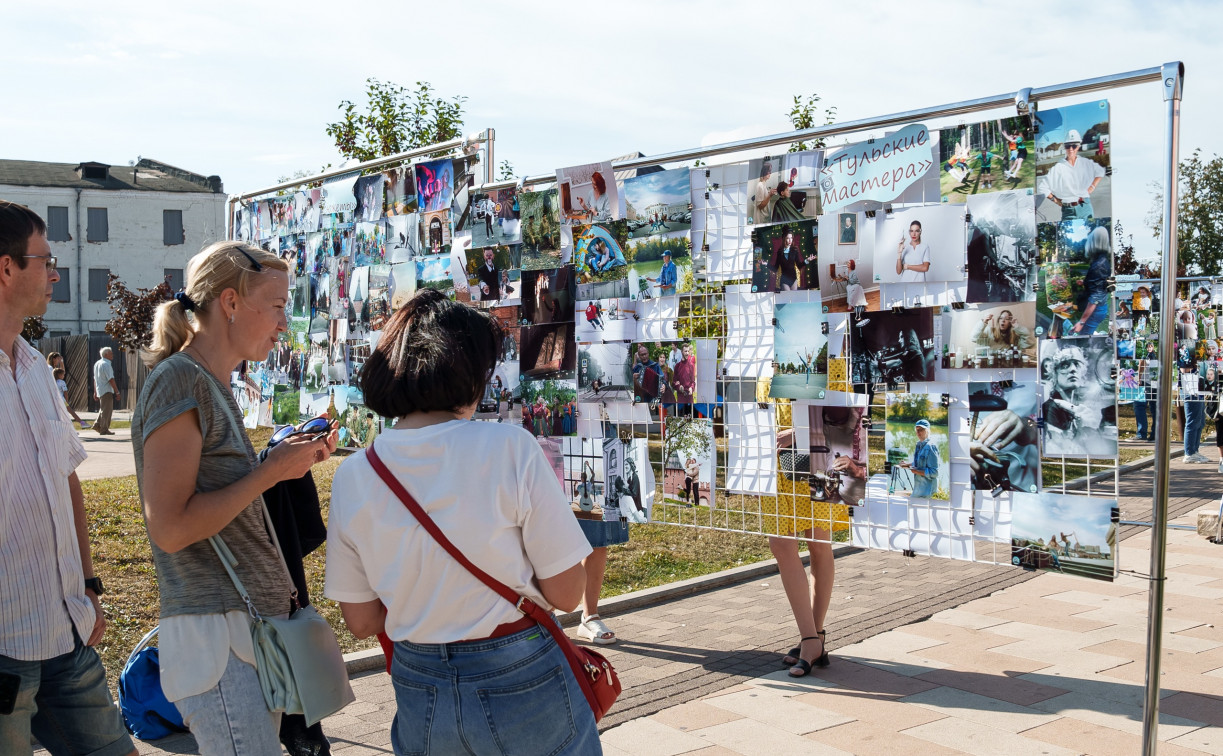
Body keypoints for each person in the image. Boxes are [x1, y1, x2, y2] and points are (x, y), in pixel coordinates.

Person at [321, 290, 599, 755]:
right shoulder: (509, 448)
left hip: (419, 684)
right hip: (522, 673)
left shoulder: (355, 474)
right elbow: (569, 593)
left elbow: (362, 619)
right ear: (469, 372)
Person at [132, 241, 339, 752]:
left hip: (240, 640)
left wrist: (286, 467)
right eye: (275, 306)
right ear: (229, 302)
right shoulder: (182, 379)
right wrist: (269, 472)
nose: (284, 323)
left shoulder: (209, 382)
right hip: (216, 642)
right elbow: (171, 527)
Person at [0, 201, 139, 756]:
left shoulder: (34, 365)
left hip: (65, 634)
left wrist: (88, 585)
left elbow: (67, 481)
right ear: (5, 268)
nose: (56, 273)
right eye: (46, 259)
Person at [1041, 346, 1118, 455]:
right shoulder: (1051, 407)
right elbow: (1060, 447)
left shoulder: (1077, 405)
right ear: (1055, 372)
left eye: (1077, 364)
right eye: (1065, 365)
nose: (1073, 369)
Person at [1041, 129, 1105, 220]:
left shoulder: (1085, 163)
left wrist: (1092, 187)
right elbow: (1043, 188)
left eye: (1074, 146)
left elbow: (1100, 171)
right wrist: (1056, 201)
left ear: (1078, 146)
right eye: (1068, 146)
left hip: (1085, 208)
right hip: (1068, 212)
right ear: (1064, 147)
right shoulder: (1058, 167)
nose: (1071, 149)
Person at [1071, 227, 1111, 336]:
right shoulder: (1102, 260)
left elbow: (1095, 298)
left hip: (1095, 310)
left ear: (1093, 242)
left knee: (1084, 339)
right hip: (1099, 309)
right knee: (1088, 335)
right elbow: (1100, 284)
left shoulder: (1098, 265)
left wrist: (1081, 322)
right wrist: (1085, 282)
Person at [47, 351, 88, 428]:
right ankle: (80, 423)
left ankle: (77, 424)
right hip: (57, 396)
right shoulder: (50, 368)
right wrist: (66, 400)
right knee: (67, 410)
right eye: (58, 359)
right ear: (53, 359)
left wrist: (62, 362)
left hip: (57, 396)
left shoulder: (54, 369)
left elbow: (62, 373)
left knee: (65, 412)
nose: (59, 361)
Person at [903, 419, 940, 498]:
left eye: (921, 430)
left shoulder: (931, 446)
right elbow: (920, 462)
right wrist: (907, 465)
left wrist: (916, 471)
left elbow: (934, 472)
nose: (918, 432)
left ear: (927, 430)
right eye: (916, 430)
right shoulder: (919, 444)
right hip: (918, 489)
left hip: (927, 492)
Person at [92, 346, 119, 435]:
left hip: (100, 389)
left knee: (103, 408)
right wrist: (117, 392)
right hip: (107, 389)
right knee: (107, 411)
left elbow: (95, 379)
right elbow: (111, 379)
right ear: (106, 354)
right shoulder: (106, 364)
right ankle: (104, 429)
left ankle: (97, 424)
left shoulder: (97, 363)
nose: (112, 355)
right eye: (111, 353)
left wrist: (95, 391)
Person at [770, 227, 806, 291]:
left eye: (791, 238)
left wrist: (807, 260)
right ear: (784, 239)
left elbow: (799, 265)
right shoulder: (780, 252)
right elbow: (775, 268)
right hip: (784, 280)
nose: (790, 240)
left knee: (793, 299)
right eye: (788, 238)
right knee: (787, 296)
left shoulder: (795, 250)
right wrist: (766, 264)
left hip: (793, 279)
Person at [752, 160, 777, 225]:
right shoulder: (760, 185)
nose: (770, 173)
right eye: (769, 171)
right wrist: (769, 195)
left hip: (765, 218)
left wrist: (770, 193)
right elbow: (760, 206)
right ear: (764, 171)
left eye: (770, 171)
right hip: (761, 220)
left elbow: (764, 198)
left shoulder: (764, 184)